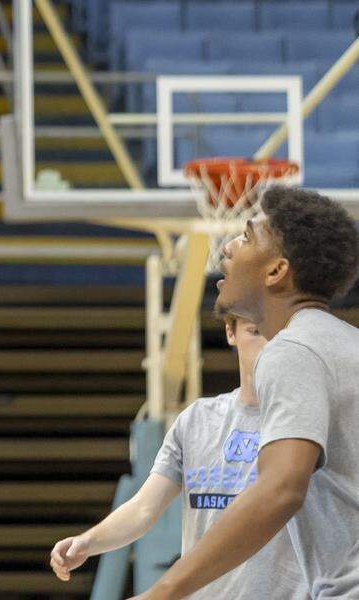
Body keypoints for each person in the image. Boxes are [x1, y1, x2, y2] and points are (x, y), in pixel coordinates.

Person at [128, 185, 359, 600]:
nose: (230, 248)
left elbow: (280, 490)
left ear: (276, 272)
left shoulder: (294, 350)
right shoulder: (344, 343)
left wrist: (162, 592)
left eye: (249, 238)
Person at [50, 317, 306, 598]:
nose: (267, 345)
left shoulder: (307, 423)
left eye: (276, 333)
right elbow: (143, 508)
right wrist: (88, 541)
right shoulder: (197, 420)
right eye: (255, 332)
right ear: (231, 333)